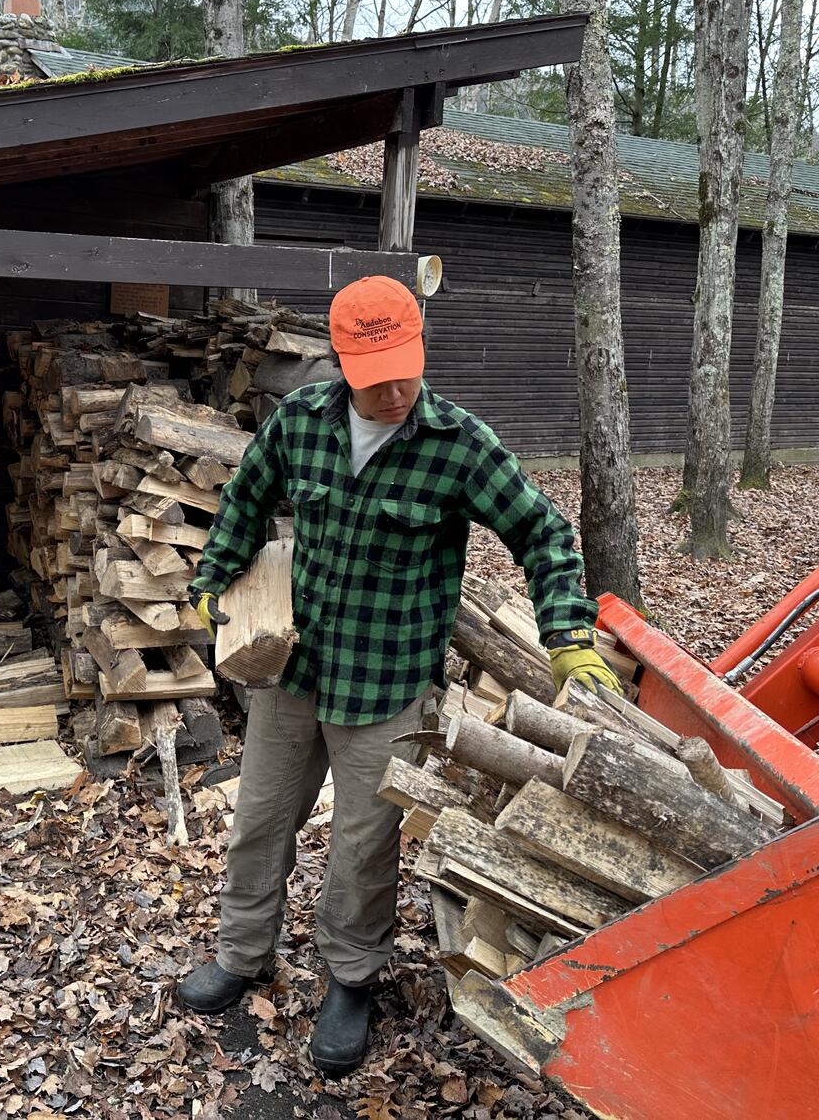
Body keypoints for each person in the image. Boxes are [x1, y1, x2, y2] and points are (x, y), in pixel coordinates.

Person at [177, 276, 620, 1077]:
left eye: (405, 370)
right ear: (341, 361)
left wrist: (568, 637)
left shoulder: (459, 444)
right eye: (373, 374)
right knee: (259, 821)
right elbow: (244, 503)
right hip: (293, 669)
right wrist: (215, 579)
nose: (392, 391)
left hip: (388, 685)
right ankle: (242, 954)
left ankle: (351, 977)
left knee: (363, 844)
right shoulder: (302, 425)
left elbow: (545, 535)